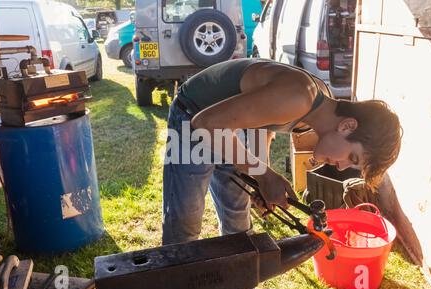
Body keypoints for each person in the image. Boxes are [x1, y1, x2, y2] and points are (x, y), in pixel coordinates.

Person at [162, 58, 402, 245]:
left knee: (238, 220)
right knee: (184, 222)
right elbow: (205, 124)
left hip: (225, 125)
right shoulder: (299, 97)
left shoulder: (319, 108)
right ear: (347, 126)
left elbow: (263, 125)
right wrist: (264, 175)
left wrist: (260, 180)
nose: (341, 166)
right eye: (352, 157)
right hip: (192, 116)